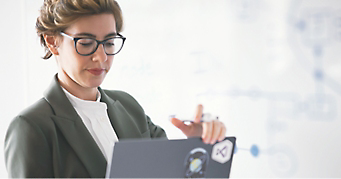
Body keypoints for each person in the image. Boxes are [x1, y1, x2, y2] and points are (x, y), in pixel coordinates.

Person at [4, 0, 226, 178]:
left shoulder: (129, 107)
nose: (101, 57)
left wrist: (198, 144)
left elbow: (171, 172)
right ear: (53, 42)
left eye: (109, 42)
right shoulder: (31, 128)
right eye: (86, 42)